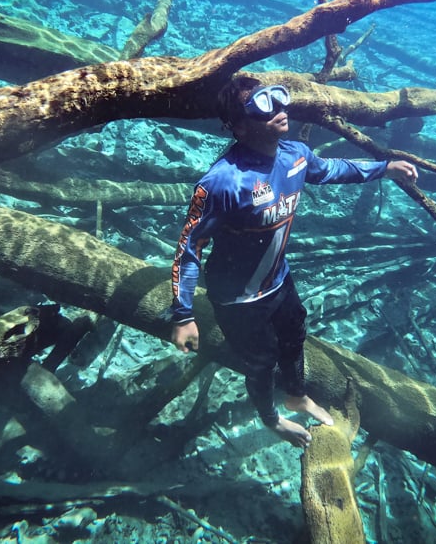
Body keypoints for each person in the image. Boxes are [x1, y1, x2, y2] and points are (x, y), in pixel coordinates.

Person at [168, 75, 418, 448]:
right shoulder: (222, 183)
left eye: (279, 101)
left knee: (295, 330)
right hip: (237, 298)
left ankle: (296, 395)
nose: (280, 111)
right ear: (238, 126)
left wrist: (385, 168)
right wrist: (183, 316)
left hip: (278, 280)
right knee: (260, 361)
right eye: (264, 107)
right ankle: (272, 420)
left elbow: (332, 170)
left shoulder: (296, 154)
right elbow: (190, 246)